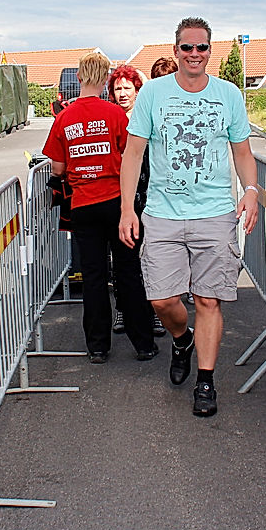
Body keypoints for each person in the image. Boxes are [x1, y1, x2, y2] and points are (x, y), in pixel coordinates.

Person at [119, 17, 259, 417]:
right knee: (162, 299)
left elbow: (243, 153)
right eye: (187, 48)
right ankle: (182, 339)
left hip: (215, 213)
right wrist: (127, 208)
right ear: (176, 50)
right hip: (162, 213)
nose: (194, 55)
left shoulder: (228, 95)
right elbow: (133, 155)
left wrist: (250, 191)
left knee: (208, 299)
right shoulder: (154, 95)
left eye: (201, 48)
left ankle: (206, 379)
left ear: (209, 52)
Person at [44, 52, 155, 362]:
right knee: (128, 273)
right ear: (106, 79)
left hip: (83, 204)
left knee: (93, 277)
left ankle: (97, 346)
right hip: (118, 203)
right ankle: (143, 343)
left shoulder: (64, 117)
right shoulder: (115, 114)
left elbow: (57, 166)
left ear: (78, 78)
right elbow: (130, 155)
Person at [107, 64, 165, 339]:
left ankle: (154, 313)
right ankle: (123, 309)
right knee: (123, 259)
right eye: (117, 89)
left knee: (151, 259)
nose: (122, 94)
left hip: (150, 195)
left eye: (127, 88)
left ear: (137, 91)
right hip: (121, 199)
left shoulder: (148, 117)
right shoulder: (109, 119)